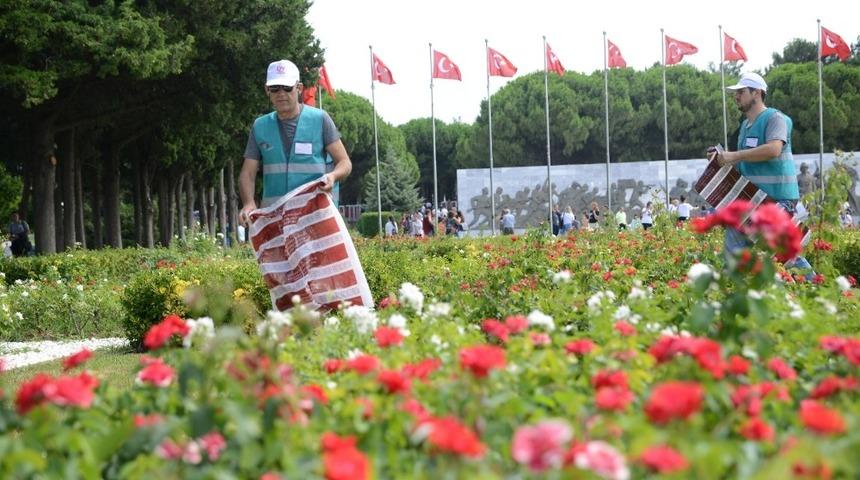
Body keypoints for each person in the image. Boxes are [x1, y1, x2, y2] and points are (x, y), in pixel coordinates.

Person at [712, 72, 813, 273]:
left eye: (741, 92)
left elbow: (774, 149)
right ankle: (732, 291)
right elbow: (744, 164)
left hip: (777, 199)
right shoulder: (745, 126)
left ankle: (818, 287)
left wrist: (733, 156)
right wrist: (721, 159)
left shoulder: (775, 118)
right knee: (734, 254)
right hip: (751, 199)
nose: (736, 96)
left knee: (785, 256)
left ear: (756, 93)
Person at [239, 60, 352, 226]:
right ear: (267, 91)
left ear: (299, 88)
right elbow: (247, 173)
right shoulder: (260, 126)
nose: (281, 93)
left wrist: (333, 176)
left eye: (287, 88)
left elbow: (344, 162)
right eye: (275, 88)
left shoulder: (320, 119)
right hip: (275, 221)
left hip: (315, 218)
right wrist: (248, 202)